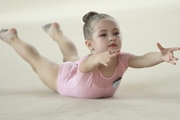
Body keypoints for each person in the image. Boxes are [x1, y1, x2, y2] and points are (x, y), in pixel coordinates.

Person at [0, 11, 180, 99]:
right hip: (62, 79)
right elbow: (86, 65)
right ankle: (11, 37)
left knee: (71, 54)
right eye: (103, 35)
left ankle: (56, 32)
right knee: (37, 61)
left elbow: (142, 60)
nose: (112, 38)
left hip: (76, 70)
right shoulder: (88, 61)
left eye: (116, 33)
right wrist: (97, 59)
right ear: (90, 45)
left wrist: (160, 56)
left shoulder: (122, 58)